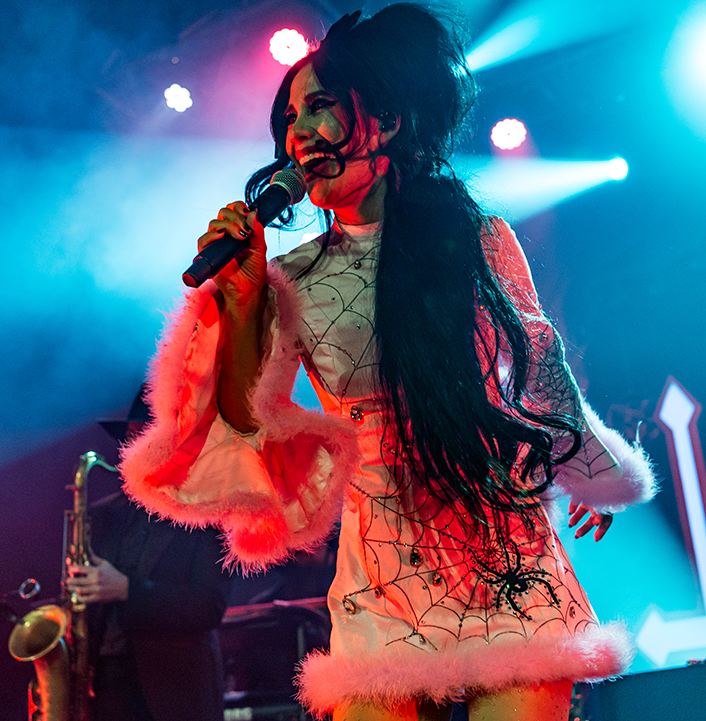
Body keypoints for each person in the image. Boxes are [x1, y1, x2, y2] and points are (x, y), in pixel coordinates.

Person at [120, 6, 656, 720]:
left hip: (501, 548)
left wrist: (578, 462)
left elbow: (537, 364)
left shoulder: (478, 240)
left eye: (319, 106)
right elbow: (248, 420)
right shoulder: (293, 278)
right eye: (289, 117)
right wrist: (244, 298)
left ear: (389, 121)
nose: (298, 132)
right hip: (380, 567)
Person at [65, 389, 230, 721]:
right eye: (130, 436)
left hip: (175, 695)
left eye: (144, 435)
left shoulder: (208, 513)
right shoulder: (102, 515)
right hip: (105, 687)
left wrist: (127, 590)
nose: (133, 447)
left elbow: (208, 607)